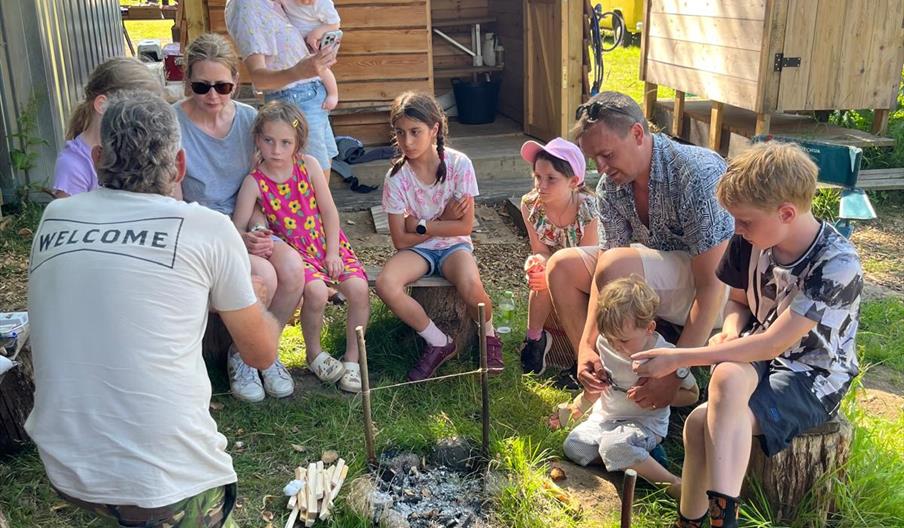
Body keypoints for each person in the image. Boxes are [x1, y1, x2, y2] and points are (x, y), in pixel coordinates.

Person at [26, 91, 279, 527]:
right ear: (179, 165)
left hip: (66, 465)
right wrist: (256, 302)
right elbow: (261, 355)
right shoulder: (207, 227)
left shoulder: (55, 217)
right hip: (165, 482)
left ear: (99, 157)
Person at [632, 142, 863, 528]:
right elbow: (737, 303)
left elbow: (777, 342)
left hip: (813, 377)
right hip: (759, 355)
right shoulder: (752, 239)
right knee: (721, 380)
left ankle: (717, 520)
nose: (736, 229)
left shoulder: (837, 264)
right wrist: (731, 333)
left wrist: (677, 357)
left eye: (745, 221)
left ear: (786, 213)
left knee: (697, 423)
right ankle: (703, 521)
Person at [546, 91, 734, 411]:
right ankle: (602, 378)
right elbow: (607, 267)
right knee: (561, 267)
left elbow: (713, 284)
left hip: (722, 293)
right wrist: (586, 346)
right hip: (660, 281)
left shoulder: (695, 174)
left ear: (637, 133)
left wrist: (677, 370)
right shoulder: (612, 186)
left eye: (607, 155)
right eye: (595, 159)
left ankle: (660, 385)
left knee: (616, 265)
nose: (601, 168)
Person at [174, 33, 304, 403]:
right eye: (201, 86)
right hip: (201, 229)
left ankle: (261, 351)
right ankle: (246, 356)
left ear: (236, 81)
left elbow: (258, 186)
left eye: (223, 86)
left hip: (248, 221)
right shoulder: (174, 124)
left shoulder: (250, 121)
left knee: (292, 270)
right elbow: (175, 201)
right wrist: (235, 237)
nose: (213, 95)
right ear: (188, 82)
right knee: (261, 275)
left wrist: (259, 228)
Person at [233, 101, 368, 393]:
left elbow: (329, 212)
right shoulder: (254, 182)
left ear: (298, 143)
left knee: (358, 289)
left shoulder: (309, 166)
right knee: (317, 291)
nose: (276, 150)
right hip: (296, 251)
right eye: (268, 141)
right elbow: (237, 225)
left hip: (327, 243)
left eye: (285, 142)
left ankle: (353, 360)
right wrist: (248, 238)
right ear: (257, 139)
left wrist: (333, 251)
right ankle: (314, 354)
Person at [375, 91, 503, 381]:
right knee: (386, 284)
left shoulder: (459, 165)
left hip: (454, 247)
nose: (407, 141)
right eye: (400, 133)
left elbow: (463, 227)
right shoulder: (396, 178)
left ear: (434, 129)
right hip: (417, 252)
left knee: (472, 287)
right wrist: (441, 220)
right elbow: (400, 241)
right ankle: (438, 341)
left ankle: (489, 336)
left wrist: (421, 224)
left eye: (415, 132)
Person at [563, 276, 698, 499]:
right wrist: (590, 391)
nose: (616, 346)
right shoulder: (605, 343)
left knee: (613, 446)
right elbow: (601, 386)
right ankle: (637, 460)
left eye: (624, 341)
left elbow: (692, 395)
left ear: (649, 328)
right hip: (606, 419)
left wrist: (660, 395)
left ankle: (672, 483)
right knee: (574, 446)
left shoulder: (664, 354)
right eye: (610, 339)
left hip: (645, 423)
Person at [226, 0, 339, 174]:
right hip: (294, 102)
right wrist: (299, 72)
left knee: (320, 173)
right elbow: (259, 79)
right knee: (312, 180)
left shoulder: (277, 3)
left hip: (313, 97)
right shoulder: (246, 5)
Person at [518, 137, 598, 375]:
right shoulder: (531, 205)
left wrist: (552, 270)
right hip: (555, 267)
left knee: (552, 276)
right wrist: (536, 263)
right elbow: (540, 250)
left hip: (586, 272)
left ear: (573, 181)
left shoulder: (589, 210)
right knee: (539, 276)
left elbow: (587, 260)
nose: (541, 185)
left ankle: (583, 353)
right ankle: (535, 338)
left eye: (551, 179)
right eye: (537, 176)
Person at [52, 57, 164, 198]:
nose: (143, 121)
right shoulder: (73, 167)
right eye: (134, 112)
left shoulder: (131, 152)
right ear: (102, 105)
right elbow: (71, 218)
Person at [279, 0, 341, 111]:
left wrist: (315, 34)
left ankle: (333, 95)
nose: (307, 1)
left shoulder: (323, 3)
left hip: (315, 43)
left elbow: (335, 23)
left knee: (321, 69)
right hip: (296, 44)